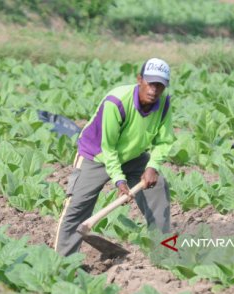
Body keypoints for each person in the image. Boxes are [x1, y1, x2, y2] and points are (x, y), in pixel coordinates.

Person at [54, 58, 175, 257]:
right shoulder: (116, 102)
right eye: (150, 83)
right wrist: (120, 181)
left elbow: (165, 141)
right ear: (139, 80)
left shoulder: (163, 104)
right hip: (96, 155)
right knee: (77, 208)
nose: (154, 90)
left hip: (134, 156)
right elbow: (108, 147)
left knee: (159, 189)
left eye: (160, 85)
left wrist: (152, 166)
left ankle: (164, 251)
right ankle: (62, 263)